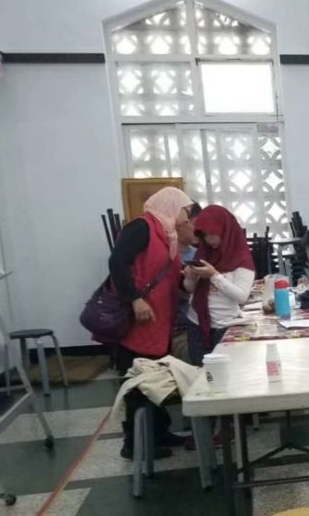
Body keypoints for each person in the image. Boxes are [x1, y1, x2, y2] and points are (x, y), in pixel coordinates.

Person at [107, 187, 197, 459]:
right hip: (139, 319)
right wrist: (135, 299)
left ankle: (159, 433)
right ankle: (134, 443)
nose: (186, 218)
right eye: (185, 210)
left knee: (156, 379)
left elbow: (171, 276)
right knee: (139, 381)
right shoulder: (142, 228)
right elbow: (117, 262)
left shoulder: (168, 235)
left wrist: (189, 279)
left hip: (159, 321)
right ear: (170, 206)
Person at [183, 205, 255, 366]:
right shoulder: (204, 253)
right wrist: (191, 277)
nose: (209, 239)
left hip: (224, 326)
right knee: (199, 373)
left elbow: (241, 297)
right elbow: (191, 289)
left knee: (226, 373)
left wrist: (214, 276)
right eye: (204, 235)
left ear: (226, 230)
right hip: (196, 323)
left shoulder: (241, 258)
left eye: (213, 234)